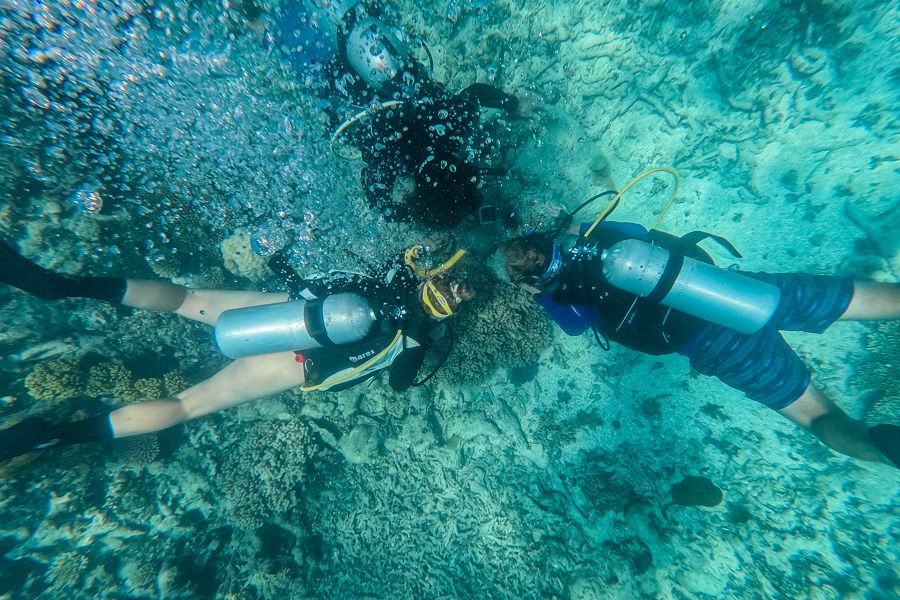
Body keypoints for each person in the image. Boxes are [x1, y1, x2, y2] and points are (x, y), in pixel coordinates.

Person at [0, 241, 473, 462]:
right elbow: (399, 383)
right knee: (186, 405)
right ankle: (57, 437)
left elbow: (370, 267)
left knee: (183, 298)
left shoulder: (400, 273)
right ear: (444, 311)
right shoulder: (414, 340)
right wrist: (425, 338)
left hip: (285, 314)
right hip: (294, 364)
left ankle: (59, 285)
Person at [501, 215, 900, 469]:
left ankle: (880, 446)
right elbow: (640, 231)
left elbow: (574, 327)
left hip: (722, 350)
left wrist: (538, 294)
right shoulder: (610, 240)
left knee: (820, 419)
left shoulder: (564, 299)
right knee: (856, 299)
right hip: (741, 292)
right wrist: (573, 227)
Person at [267, 0, 529, 228]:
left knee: (344, 20)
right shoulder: (394, 164)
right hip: (332, 84)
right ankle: (260, 21)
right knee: (281, 30)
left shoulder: (452, 126)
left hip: (370, 53)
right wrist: (406, 215)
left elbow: (476, 93)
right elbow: (376, 197)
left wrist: (513, 104)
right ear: (417, 193)